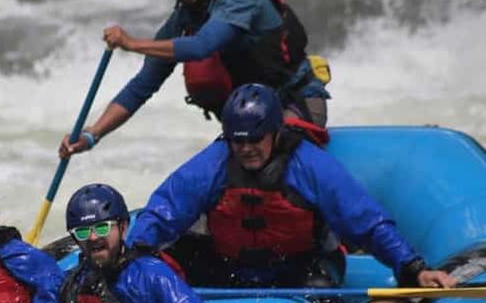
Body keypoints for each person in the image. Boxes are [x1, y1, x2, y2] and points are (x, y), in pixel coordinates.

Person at [125, 83, 457, 291]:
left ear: (274, 132)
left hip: (301, 268)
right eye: (237, 141)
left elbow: (365, 222)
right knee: (166, 262)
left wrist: (413, 268)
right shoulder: (214, 163)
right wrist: (132, 256)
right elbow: (165, 209)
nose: (246, 149)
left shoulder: (311, 166)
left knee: (317, 286)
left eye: (255, 139)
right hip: (232, 266)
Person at [60, 0, 330, 159]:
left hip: (296, 101)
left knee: (274, 172)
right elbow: (141, 87)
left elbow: (202, 46)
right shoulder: (183, 19)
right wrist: (91, 135)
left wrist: (131, 43)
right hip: (249, 121)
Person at [57, 183, 223, 303]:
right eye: (82, 232)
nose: (93, 237)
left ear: (123, 227)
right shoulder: (73, 283)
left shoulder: (151, 275)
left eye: (102, 228)